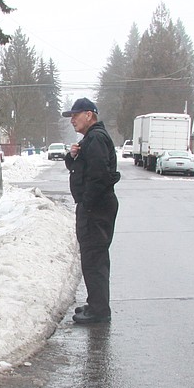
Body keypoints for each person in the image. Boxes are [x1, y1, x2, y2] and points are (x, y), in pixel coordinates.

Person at [62, 97, 120, 325]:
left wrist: (86, 203)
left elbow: (98, 176)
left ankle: (99, 311)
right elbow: (78, 167)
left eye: (75, 115)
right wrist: (73, 155)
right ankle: (96, 303)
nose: (72, 120)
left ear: (89, 114)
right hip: (95, 208)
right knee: (93, 258)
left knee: (94, 259)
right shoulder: (90, 139)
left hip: (95, 209)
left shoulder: (95, 138)